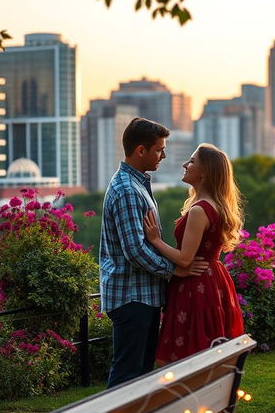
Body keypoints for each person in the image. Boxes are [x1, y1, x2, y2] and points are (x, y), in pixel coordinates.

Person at [99, 117, 206, 388]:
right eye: (159, 149)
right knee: (126, 375)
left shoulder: (138, 184)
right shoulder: (126, 190)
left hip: (142, 295)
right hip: (131, 296)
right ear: (140, 150)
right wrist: (174, 270)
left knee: (142, 375)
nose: (165, 155)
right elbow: (134, 249)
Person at [143, 143, 245, 363]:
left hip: (195, 284)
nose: (184, 164)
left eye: (191, 161)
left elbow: (185, 258)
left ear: (204, 172)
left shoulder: (200, 209)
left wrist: (155, 240)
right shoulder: (214, 205)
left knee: (185, 355)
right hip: (212, 280)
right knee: (205, 351)